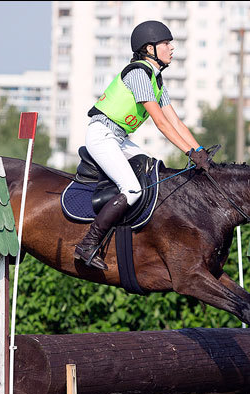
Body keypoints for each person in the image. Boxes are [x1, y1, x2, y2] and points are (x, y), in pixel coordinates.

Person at [74, 20, 213, 270]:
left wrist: (200, 152)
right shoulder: (138, 73)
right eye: (166, 44)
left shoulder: (157, 82)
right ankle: (87, 244)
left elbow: (177, 123)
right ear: (150, 49)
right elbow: (160, 123)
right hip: (102, 134)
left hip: (119, 138)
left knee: (153, 169)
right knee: (132, 189)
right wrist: (188, 152)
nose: (172, 48)